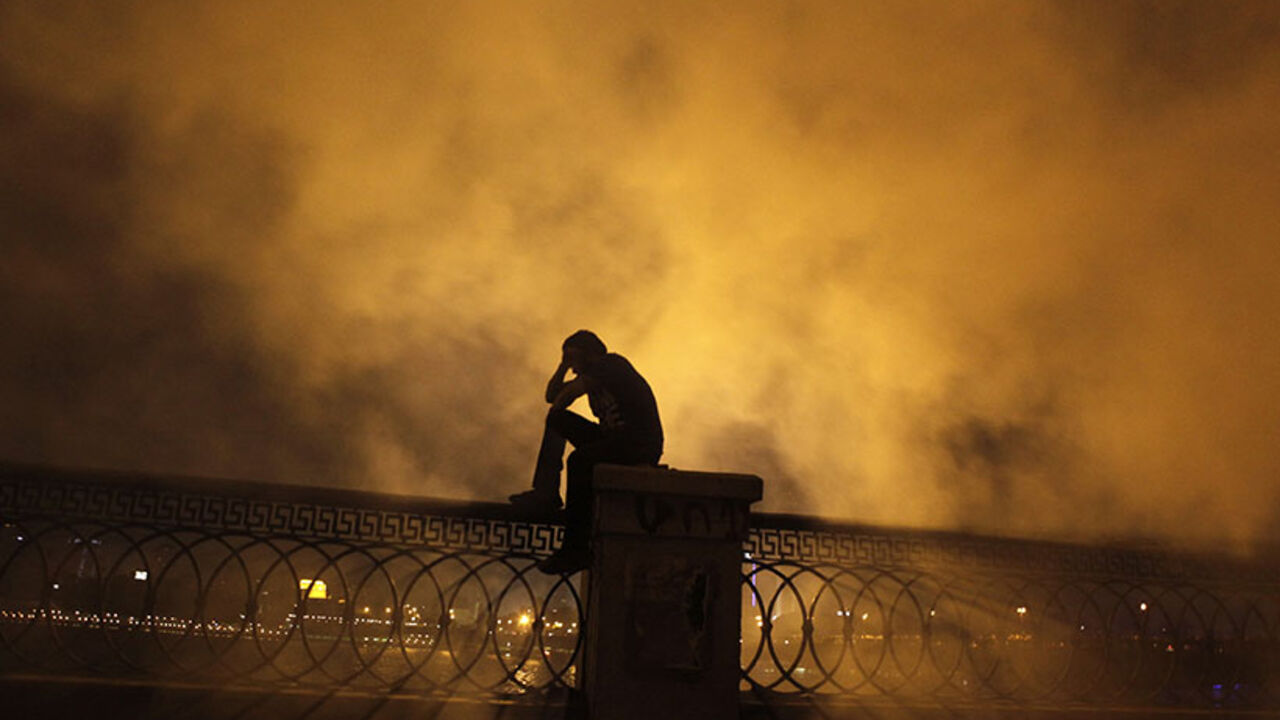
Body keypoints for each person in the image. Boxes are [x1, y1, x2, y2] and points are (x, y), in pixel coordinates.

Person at [510, 330, 663, 574]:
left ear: (589, 354)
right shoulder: (592, 375)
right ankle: (546, 491)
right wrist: (562, 367)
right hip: (614, 440)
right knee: (557, 420)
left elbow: (564, 396)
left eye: (573, 360)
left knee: (579, 461)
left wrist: (558, 405)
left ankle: (576, 548)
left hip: (637, 443)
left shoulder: (611, 364)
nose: (572, 369)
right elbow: (551, 396)